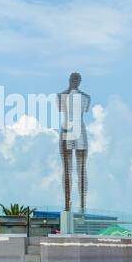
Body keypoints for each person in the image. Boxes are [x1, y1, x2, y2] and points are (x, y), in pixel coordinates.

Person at [57, 72, 91, 213]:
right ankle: (67, 205)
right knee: (69, 168)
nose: (76, 81)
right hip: (71, 130)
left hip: (75, 130)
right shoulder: (62, 96)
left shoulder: (85, 97)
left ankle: (82, 204)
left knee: (80, 168)